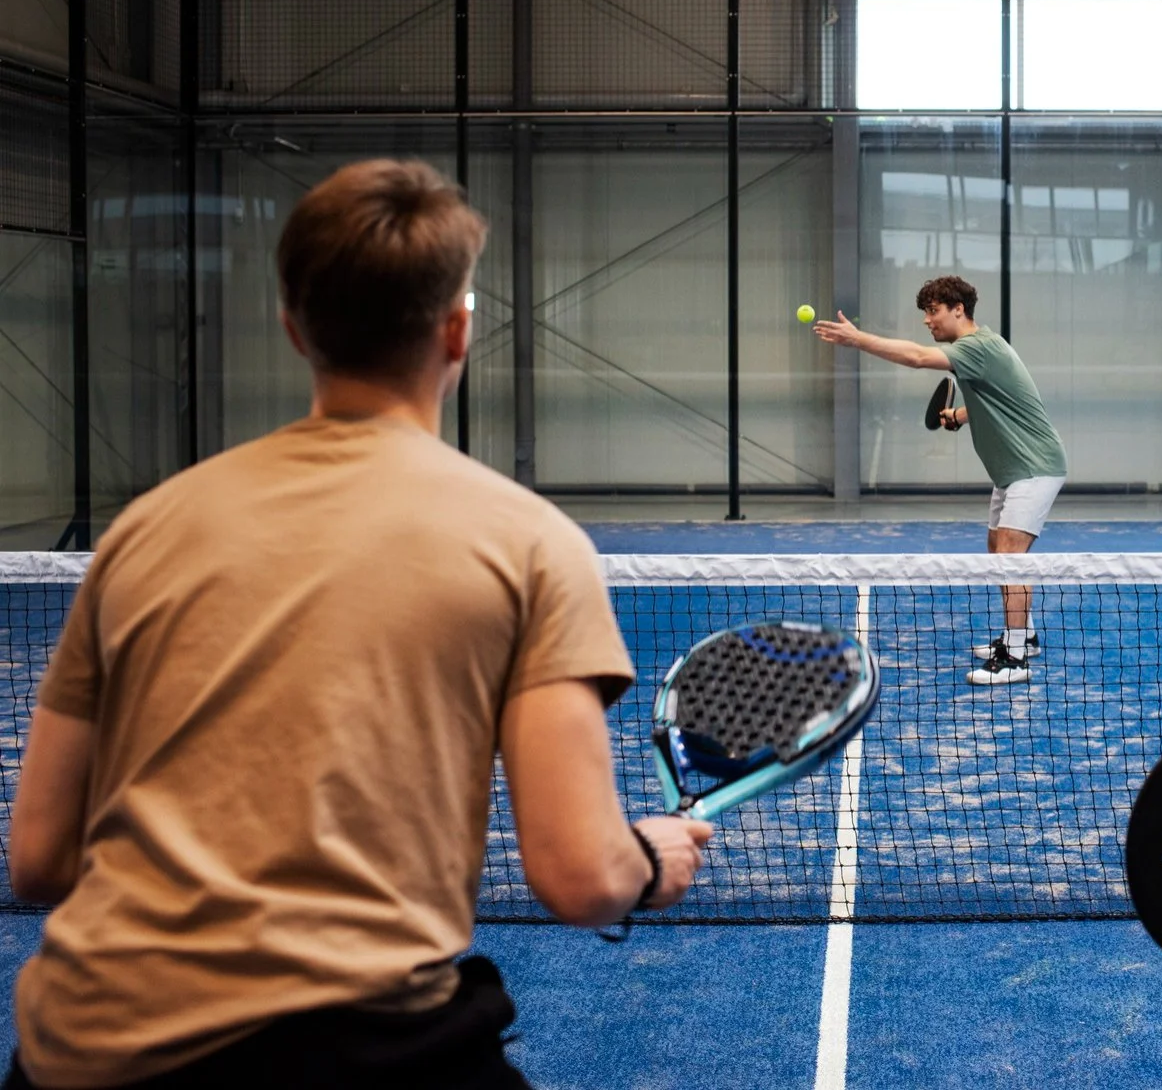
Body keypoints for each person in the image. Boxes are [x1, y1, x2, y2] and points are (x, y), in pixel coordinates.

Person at [6, 159, 712, 1089]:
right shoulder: (529, 543)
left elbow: (41, 860)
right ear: (458, 330)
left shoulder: (145, 531)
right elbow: (581, 878)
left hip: (83, 1051)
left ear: (293, 325)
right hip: (358, 1050)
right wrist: (650, 860)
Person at [814, 275, 1067, 686]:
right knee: (996, 548)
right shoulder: (982, 350)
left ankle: (1016, 659)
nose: (927, 321)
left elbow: (915, 357)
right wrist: (959, 415)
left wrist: (857, 339)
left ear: (958, 310)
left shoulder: (977, 347)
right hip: (1011, 470)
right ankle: (1025, 635)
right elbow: (1000, 397)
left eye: (933, 311)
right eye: (925, 313)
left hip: (1034, 466)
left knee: (1009, 555)